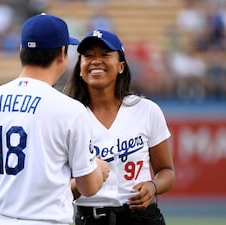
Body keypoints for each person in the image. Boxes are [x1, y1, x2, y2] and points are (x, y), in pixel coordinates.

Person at [0, 13, 110, 225]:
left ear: (21, 51)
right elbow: (88, 187)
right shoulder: (71, 110)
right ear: (62, 54)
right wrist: (99, 171)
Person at [63, 29, 175, 225]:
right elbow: (57, 191)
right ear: (80, 68)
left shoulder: (146, 110)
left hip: (142, 217)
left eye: (105, 55)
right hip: (90, 218)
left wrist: (153, 186)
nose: (96, 61)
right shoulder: (66, 116)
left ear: (121, 66)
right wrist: (88, 179)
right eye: (88, 56)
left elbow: (167, 172)